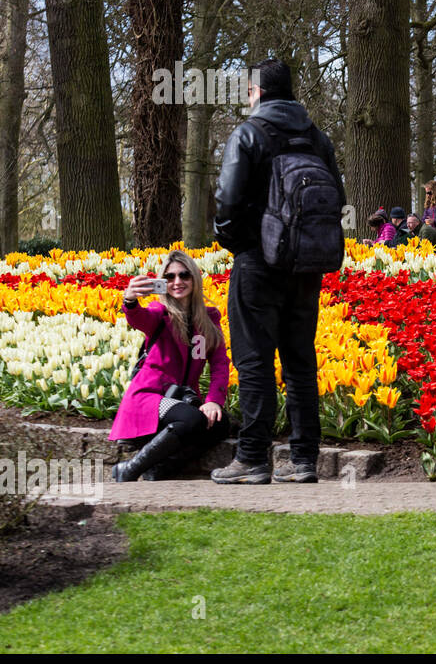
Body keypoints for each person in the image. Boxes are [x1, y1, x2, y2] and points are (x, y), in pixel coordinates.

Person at [211, 58, 345, 484]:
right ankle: (304, 459)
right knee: (300, 361)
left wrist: (239, 244)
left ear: (258, 92)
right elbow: (337, 199)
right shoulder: (317, 138)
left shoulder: (249, 133)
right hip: (307, 265)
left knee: (254, 360)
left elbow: (228, 200)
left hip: (258, 261)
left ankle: (252, 457)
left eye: (248, 91)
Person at [109, 251, 230, 481]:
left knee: (220, 423)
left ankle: (160, 468)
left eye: (184, 275)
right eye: (170, 276)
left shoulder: (209, 320)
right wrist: (130, 300)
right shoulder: (159, 313)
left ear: (194, 278)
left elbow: (220, 364)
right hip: (149, 397)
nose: (178, 282)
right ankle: (129, 469)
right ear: (163, 281)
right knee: (193, 419)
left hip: (183, 398)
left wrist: (214, 400)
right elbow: (139, 318)